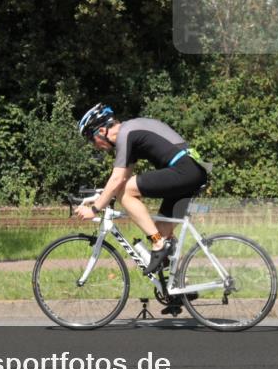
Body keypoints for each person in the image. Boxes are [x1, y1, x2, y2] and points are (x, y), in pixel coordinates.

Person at [74, 103, 208, 275]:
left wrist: (94, 209)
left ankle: (157, 244)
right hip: (192, 171)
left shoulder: (125, 135)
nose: (94, 145)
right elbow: (121, 179)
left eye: (91, 140)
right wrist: (101, 196)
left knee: (128, 196)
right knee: (162, 231)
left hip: (184, 170)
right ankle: (181, 286)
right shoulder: (131, 132)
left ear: (101, 131)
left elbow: (118, 180)